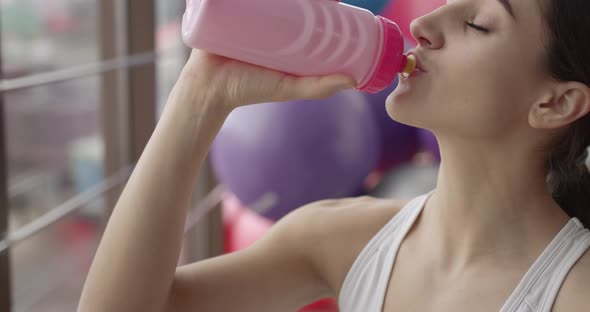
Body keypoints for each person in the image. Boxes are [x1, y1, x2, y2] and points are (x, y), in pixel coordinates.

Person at [78, 0, 590, 311]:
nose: (425, 24)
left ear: (555, 102)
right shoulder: (338, 238)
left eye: (477, 23)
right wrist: (200, 94)